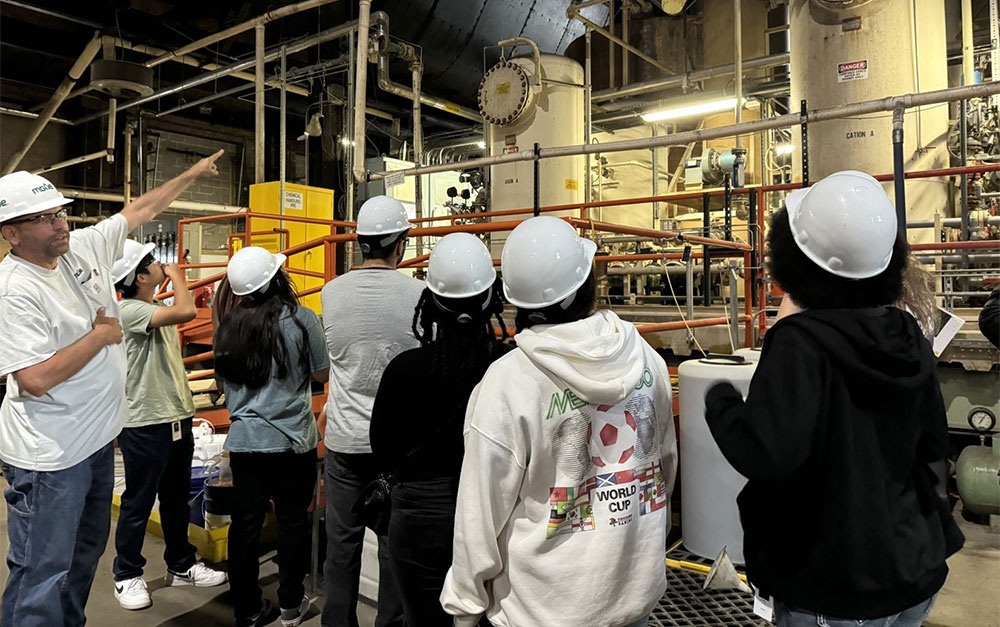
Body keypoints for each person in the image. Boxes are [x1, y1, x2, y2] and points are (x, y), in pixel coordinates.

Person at [704, 171, 964, 627]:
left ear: (791, 257)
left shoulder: (799, 344)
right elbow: (932, 445)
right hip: (913, 566)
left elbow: (769, 455)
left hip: (834, 582)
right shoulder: (904, 332)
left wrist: (722, 403)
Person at [0, 152, 223, 627]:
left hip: (98, 443)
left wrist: (190, 174)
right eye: (42, 218)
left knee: (82, 560)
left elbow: (139, 210)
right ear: (11, 233)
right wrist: (101, 335)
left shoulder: (80, 247)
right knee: (42, 570)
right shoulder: (15, 290)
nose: (58, 224)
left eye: (59, 212)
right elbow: (34, 379)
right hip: (51, 458)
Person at [441, 216, 678, 627]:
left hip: (542, 609)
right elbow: (663, 469)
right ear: (588, 282)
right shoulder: (647, 361)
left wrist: (465, 607)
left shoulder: (510, 381)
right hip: (633, 597)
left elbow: (480, 514)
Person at [370, 233, 510, 627]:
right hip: (496, 516)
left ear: (429, 301)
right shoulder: (510, 368)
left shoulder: (403, 370)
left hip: (417, 519)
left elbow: (382, 449)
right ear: (491, 298)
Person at [213, 246, 330, 627]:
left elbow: (223, 380)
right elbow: (321, 374)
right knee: (293, 523)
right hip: (292, 441)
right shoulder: (302, 320)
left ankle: (246, 610)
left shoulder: (229, 326)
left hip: (246, 442)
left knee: (245, 525)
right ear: (277, 278)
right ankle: (291, 607)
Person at [109, 240, 227, 611]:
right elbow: (188, 310)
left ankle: (181, 564)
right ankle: (126, 575)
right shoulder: (128, 310)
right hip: (145, 423)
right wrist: (178, 275)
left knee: (175, 499)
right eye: (153, 263)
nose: (161, 266)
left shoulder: (151, 306)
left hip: (175, 418)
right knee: (138, 502)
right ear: (140, 276)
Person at [320, 195, 421, 627]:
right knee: (392, 547)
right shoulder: (419, 294)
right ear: (400, 243)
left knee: (340, 546)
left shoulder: (330, 292)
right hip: (397, 447)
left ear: (361, 242)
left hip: (343, 441)